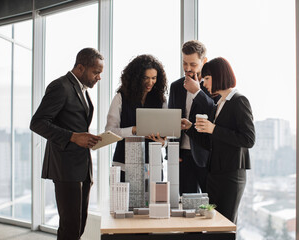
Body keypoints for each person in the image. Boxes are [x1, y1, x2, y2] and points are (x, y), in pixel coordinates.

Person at [30, 48, 104, 240]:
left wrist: (86, 138)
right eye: (96, 72)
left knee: (78, 225)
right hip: (65, 167)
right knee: (70, 227)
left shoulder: (81, 90)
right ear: (80, 68)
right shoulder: (60, 87)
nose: (99, 77)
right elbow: (37, 123)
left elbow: (74, 123)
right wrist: (73, 136)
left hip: (82, 167)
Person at [181, 57, 255, 223]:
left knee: (225, 223)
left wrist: (213, 129)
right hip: (215, 173)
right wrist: (189, 129)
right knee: (214, 223)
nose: (204, 83)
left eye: (206, 79)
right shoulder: (219, 104)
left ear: (219, 76)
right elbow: (211, 143)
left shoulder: (239, 101)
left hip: (231, 173)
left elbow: (248, 139)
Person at [105, 54, 167, 180]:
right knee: (124, 199)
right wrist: (133, 130)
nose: (150, 82)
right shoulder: (120, 98)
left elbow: (166, 136)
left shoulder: (161, 100)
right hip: (124, 163)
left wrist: (162, 143)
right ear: (136, 78)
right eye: (146, 78)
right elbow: (109, 132)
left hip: (153, 163)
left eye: (154, 78)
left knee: (154, 199)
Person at [168, 40, 217, 194]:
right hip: (182, 156)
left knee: (212, 204)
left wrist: (197, 92)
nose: (188, 68)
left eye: (193, 64)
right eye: (185, 63)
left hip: (206, 157)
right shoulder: (176, 87)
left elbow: (214, 112)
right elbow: (171, 121)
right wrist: (171, 153)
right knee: (186, 205)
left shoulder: (213, 87)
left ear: (204, 61)